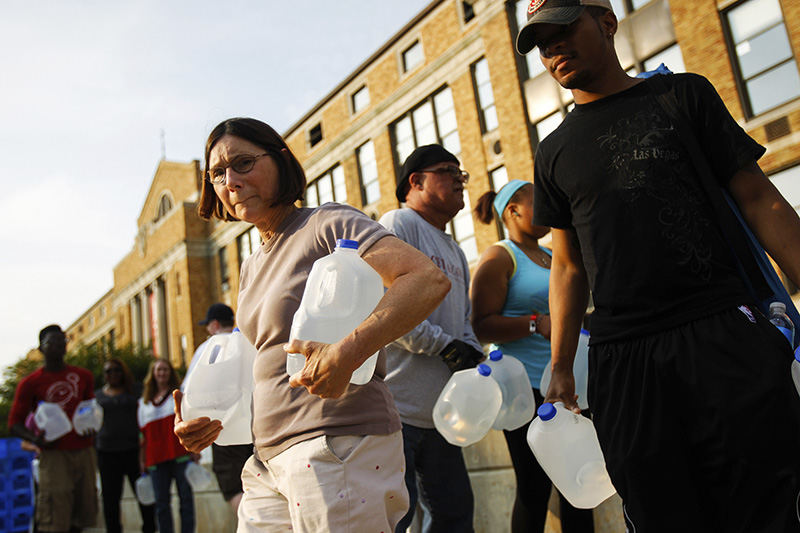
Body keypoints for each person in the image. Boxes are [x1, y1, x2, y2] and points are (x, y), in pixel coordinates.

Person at [515, 1, 800, 531]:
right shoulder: (552, 151)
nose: (553, 48)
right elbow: (569, 266)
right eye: (541, 43)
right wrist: (559, 367)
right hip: (625, 363)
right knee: (658, 514)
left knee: (765, 508)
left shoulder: (682, 95)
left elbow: (762, 201)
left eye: (563, 30)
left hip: (722, 335)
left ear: (605, 23)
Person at [173, 117, 450, 532]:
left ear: (281, 162)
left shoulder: (327, 224)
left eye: (244, 163)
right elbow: (265, 365)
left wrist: (348, 351)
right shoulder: (250, 267)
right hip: (267, 461)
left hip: (336, 445)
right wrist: (208, 417)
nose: (230, 180)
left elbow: (426, 279)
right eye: (217, 173)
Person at [471, 180, 594, 532]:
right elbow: (480, 325)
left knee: (579, 484)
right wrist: (534, 323)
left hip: (570, 385)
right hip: (525, 392)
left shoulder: (556, 256)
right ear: (514, 210)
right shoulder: (500, 256)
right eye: (539, 201)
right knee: (533, 489)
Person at [378, 144, 484, 533]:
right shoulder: (398, 225)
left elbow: (465, 319)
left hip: (443, 414)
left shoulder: (455, 251)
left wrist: (474, 353)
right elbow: (386, 306)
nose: (460, 179)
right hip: (397, 410)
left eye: (462, 174)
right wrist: (443, 345)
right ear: (416, 182)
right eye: (448, 171)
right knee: (395, 521)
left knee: (456, 517)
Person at [8, 324, 98, 533]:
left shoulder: (83, 376)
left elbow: (89, 408)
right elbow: (15, 423)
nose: (58, 346)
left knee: (82, 512)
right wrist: (36, 440)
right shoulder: (30, 383)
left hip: (83, 451)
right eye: (52, 342)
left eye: (62, 341)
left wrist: (93, 425)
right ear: (41, 348)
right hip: (54, 454)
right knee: (55, 516)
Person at [186, 303, 252, 514]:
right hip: (256, 425)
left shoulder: (209, 348)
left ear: (214, 325)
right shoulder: (248, 341)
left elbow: (190, 394)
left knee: (234, 489)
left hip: (224, 430)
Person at [95, 358, 156, 533]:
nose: (112, 374)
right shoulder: (97, 396)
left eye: (116, 370)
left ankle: (150, 529)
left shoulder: (135, 391)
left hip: (134, 452)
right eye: (108, 371)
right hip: (107, 453)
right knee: (110, 500)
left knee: (144, 497)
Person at [138, 358, 195, 533]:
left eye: (165, 369)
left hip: (180, 454)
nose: (162, 373)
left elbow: (189, 423)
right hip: (155, 458)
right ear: (153, 374)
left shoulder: (179, 395)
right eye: (158, 370)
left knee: (186, 500)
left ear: (170, 372)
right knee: (161, 504)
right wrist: (142, 460)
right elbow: (142, 436)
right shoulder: (143, 403)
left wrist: (195, 449)